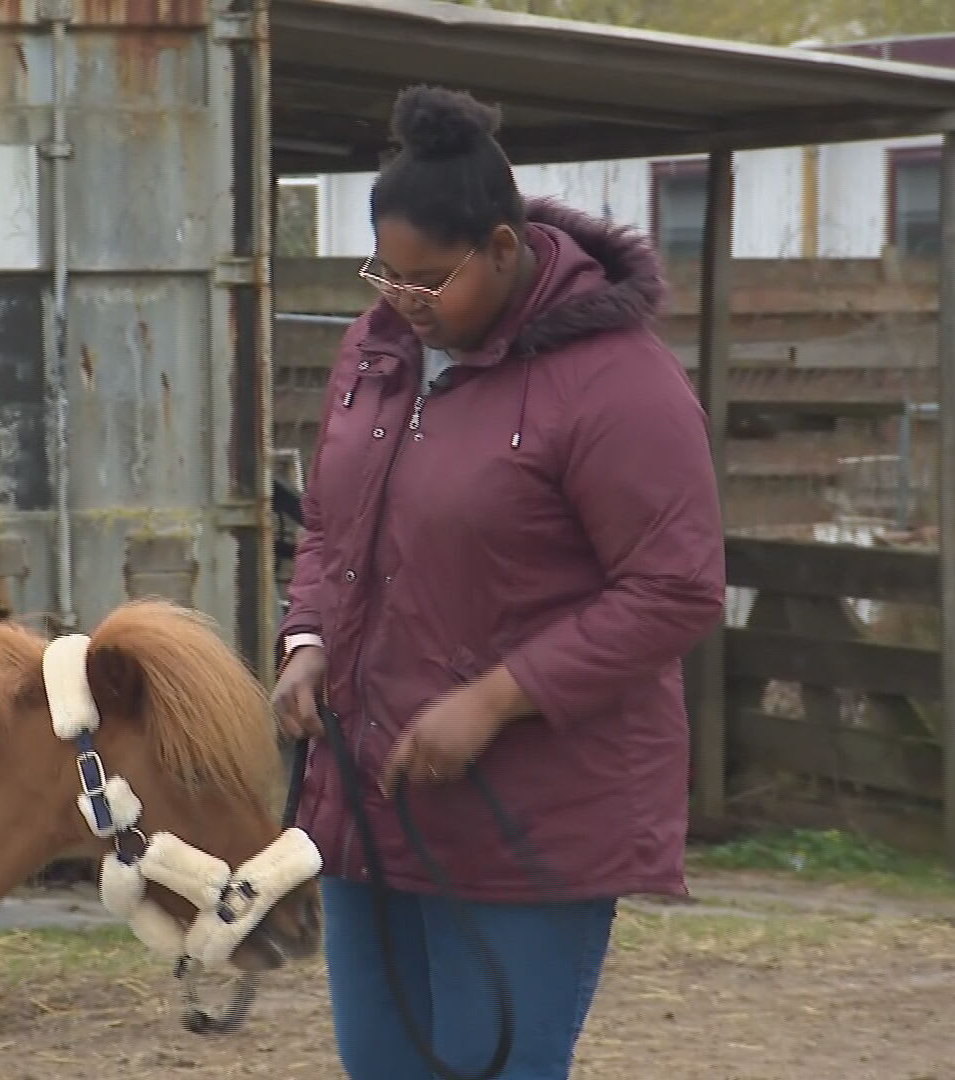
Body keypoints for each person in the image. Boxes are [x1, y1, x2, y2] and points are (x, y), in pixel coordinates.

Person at [271, 84, 725, 1080]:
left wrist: (496, 699)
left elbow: (675, 586)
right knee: (383, 1064)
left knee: (494, 1065)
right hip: (371, 794)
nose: (401, 298)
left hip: (531, 817)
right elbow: (333, 526)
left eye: (428, 278)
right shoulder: (378, 349)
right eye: (383, 272)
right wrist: (306, 639)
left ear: (506, 250)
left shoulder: (617, 383)